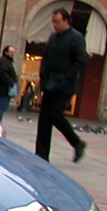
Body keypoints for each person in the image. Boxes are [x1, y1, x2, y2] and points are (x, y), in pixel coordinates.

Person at [35, 8, 88, 162]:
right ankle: (41, 155)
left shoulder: (76, 38)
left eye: (57, 22)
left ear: (66, 21)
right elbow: (46, 58)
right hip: (50, 83)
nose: (54, 25)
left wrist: (66, 77)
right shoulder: (53, 37)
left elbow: (81, 62)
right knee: (44, 120)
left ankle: (77, 142)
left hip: (64, 85)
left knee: (55, 115)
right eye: (53, 21)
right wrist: (43, 76)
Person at [0, 45, 19, 123]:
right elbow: (3, 74)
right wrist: (11, 82)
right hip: (4, 89)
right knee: (1, 107)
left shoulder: (8, 61)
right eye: (11, 52)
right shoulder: (4, 61)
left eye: (13, 52)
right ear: (6, 52)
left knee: (2, 107)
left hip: (6, 89)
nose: (13, 54)